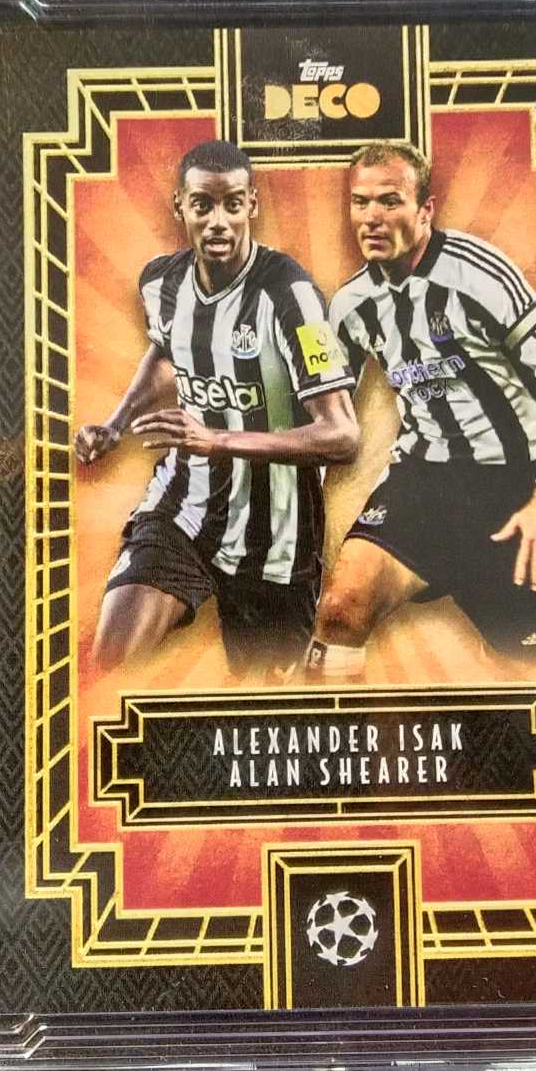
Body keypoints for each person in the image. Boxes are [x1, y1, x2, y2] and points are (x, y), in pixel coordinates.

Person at [305, 141, 536, 678]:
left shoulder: (478, 274)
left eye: (390, 201)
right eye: (360, 201)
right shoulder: (349, 305)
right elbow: (327, 418)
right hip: (425, 481)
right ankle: (323, 725)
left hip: (520, 487)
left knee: (522, 670)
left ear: (425, 210)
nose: (371, 217)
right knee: (340, 609)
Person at [74, 140, 359, 680]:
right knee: (112, 660)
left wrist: (218, 440)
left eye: (232, 204)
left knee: (262, 702)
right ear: (180, 207)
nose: (218, 221)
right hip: (184, 508)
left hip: (277, 538)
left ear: (252, 204)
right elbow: (168, 351)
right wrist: (114, 425)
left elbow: (342, 435)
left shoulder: (290, 294)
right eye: (203, 205)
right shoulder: (161, 282)